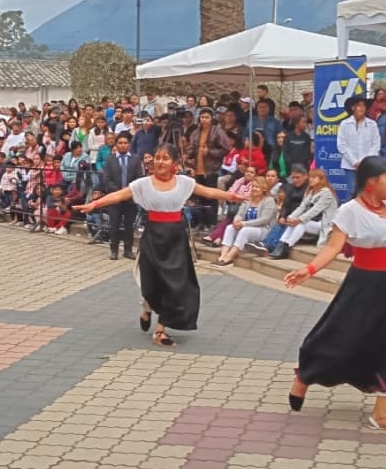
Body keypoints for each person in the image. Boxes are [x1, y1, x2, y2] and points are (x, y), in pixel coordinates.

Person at [284, 132, 386, 433]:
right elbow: (332, 247)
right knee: (337, 336)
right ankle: (305, 375)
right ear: (371, 183)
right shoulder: (349, 211)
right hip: (363, 285)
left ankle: (382, 414)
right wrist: (309, 270)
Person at [78, 143, 234, 348]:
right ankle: (147, 308)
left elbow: (209, 192)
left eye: (165, 158)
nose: (160, 162)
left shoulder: (184, 182)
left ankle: (160, 331)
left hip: (175, 238)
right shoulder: (143, 184)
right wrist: (95, 204)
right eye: (157, 157)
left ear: (175, 163)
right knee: (151, 283)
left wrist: (231, 196)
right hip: (153, 236)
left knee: (175, 285)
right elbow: (119, 195)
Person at [269, 168, 339, 259]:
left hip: (325, 224)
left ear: (321, 179)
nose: (311, 179)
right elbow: (301, 207)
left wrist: (299, 220)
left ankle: (286, 247)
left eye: (314, 177)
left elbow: (314, 210)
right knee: (294, 223)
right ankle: (281, 245)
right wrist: (291, 217)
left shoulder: (326, 193)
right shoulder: (311, 191)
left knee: (301, 224)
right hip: (314, 222)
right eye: (310, 177)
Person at [212, 179, 277, 267]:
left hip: (263, 230)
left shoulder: (269, 201)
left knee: (245, 230)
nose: (254, 189)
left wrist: (243, 224)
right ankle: (222, 256)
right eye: (253, 186)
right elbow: (240, 214)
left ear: (264, 189)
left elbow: (264, 220)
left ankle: (229, 257)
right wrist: (236, 221)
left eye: (257, 187)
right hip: (247, 227)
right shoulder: (248, 200)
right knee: (230, 228)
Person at [101, 131, 140, 261]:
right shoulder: (110, 160)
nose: (123, 145)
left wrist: (128, 192)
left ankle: (128, 250)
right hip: (115, 198)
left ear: (129, 144)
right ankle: (114, 251)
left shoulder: (135, 159)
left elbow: (138, 178)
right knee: (114, 226)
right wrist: (119, 193)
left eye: (125, 143)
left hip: (130, 199)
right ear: (116, 144)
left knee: (129, 226)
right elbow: (107, 179)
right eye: (120, 143)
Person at [336, 96, 380, 194]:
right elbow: (342, 145)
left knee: (366, 192)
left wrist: (365, 162)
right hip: (350, 165)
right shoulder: (344, 124)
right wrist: (355, 162)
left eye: (364, 105)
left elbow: (376, 144)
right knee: (352, 192)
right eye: (359, 105)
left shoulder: (372, 124)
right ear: (353, 107)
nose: (362, 108)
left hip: (368, 166)